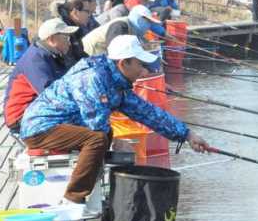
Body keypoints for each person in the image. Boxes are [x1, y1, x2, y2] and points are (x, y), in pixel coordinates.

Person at [19, 35, 209, 204]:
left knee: (105, 136)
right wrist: (118, 142)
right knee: (99, 138)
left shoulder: (116, 81)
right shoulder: (92, 77)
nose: (144, 72)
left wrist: (187, 134)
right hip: (40, 128)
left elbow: (148, 113)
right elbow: (96, 125)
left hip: (65, 127)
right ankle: (73, 198)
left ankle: (97, 188)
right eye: (140, 65)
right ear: (123, 63)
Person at [3, 18, 78, 132]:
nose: (69, 42)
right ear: (52, 39)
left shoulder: (52, 55)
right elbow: (49, 93)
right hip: (21, 116)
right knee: (89, 132)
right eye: (66, 37)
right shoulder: (35, 59)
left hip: (36, 109)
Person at [82, 5, 165, 56]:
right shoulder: (120, 26)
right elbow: (114, 50)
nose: (148, 24)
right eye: (147, 20)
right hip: (91, 51)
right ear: (138, 18)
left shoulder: (133, 28)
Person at [54, 0, 91, 66]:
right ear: (75, 12)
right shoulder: (62, 30)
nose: (89, 15)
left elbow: (79, 53)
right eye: (87, 11)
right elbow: (68, 62)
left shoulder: (76, 27)